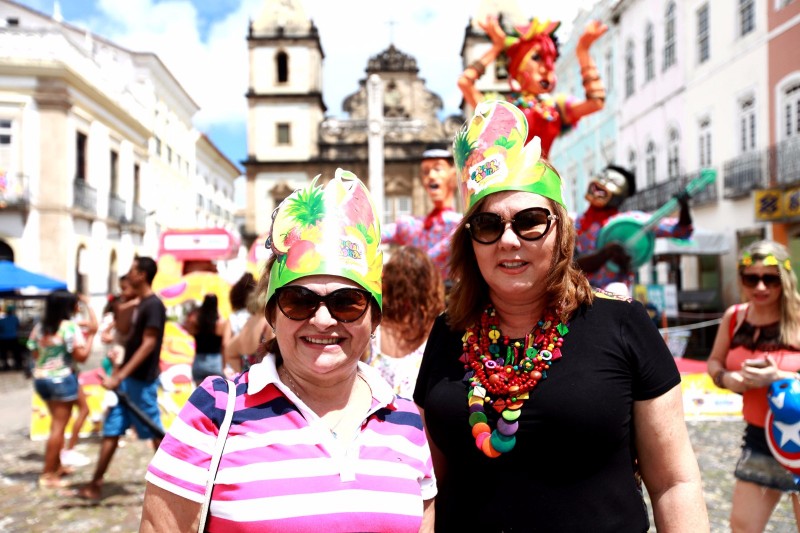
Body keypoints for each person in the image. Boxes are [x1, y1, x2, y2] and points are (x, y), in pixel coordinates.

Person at [415, 100, 708, 531]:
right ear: (470, 241)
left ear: (561, 231)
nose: (508, 241)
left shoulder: (622, 323)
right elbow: (430, 487)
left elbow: (673, 482)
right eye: (488, 225)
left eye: (530, 221)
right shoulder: (448, 330)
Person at [141, 169, 436, 532]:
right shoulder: (215, 411)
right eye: (300, 300)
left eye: (347, 302)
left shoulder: (405, 421)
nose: (324, 319)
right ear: (272, 315)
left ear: (373, 319)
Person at [706, 240, 800, 532]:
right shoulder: (735, 317)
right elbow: (714, 363)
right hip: (759, 436)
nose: (761, 287)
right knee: (743, 527)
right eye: (752, 278)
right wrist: (727, 379)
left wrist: (781, 379)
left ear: (784, 279)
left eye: (769, 279)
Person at [78, 256, 167, 501]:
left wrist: (120, 376)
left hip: (141, 380)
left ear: (142, 275)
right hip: (128, 379)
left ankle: (176, 483)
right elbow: (131, 338)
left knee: (155, 432)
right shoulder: (142, 304)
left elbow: (149, 344)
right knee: (112, 429)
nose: (129, 275)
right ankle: (95, 483)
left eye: (133, 270)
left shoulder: (153, 306)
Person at [458, 15, 606, 158]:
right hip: (509, 181)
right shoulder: (502, 108)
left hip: (545, 180)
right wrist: (497, 47)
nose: (547, 68)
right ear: (518, 66)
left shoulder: (556, 107)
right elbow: (465, 82)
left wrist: (583, 52)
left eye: (551, 59)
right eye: (537, 58)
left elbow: (596, 103)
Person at [574, 165, 693, 295]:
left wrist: (684, 206)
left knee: (617, 290)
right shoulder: (574, 222)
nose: (602, 182)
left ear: (621, 196)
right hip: (579, 293)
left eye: (613, 182)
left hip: (614, 296)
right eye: (602, 176)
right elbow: (570, 265)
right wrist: (605, 253)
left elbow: (682, 230)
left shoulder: (631, 221)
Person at [27, 291, 97, 488]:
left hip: (42, 379)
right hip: (61, 380)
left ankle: (56, 466)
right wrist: (91, 336)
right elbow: (82, 356)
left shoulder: (40, 327)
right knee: (58, 428)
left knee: (57, 425)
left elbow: (34, 352)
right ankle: (48, 475)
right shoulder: (69, 328)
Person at [365, 246, 444, 398]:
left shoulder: (374, 326)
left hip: (375, 417)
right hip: (418, 420)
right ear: (430, 284)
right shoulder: (438, 329)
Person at [382, 147, 462, 282]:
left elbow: (440, 252)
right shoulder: (411, 225)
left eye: (438, 169)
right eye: (425, 172)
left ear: (453, 174)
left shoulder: (459, 225)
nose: (431, 176)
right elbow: (375, 234)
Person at [188, 294, 231, 384]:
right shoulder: (221, 324)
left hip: (199, 361)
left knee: (200, 396)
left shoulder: (196, 323)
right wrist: (224, 366)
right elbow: (224, 344)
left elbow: (189, 328)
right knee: (217, 395)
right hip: (216, 362)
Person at [224, 272, 256, 375]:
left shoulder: (233, 318)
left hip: (236, 367)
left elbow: (226, 343)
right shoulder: (258, 317)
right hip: (256, 364)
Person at [0, 303, 21, 371]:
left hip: (3, 338)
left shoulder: (2, 319)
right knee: (15, 352)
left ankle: (5, 365)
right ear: (12, 311)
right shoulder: (15, 318)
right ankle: (17, 365)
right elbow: (18, 326)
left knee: (4, 353)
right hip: (13, 337)